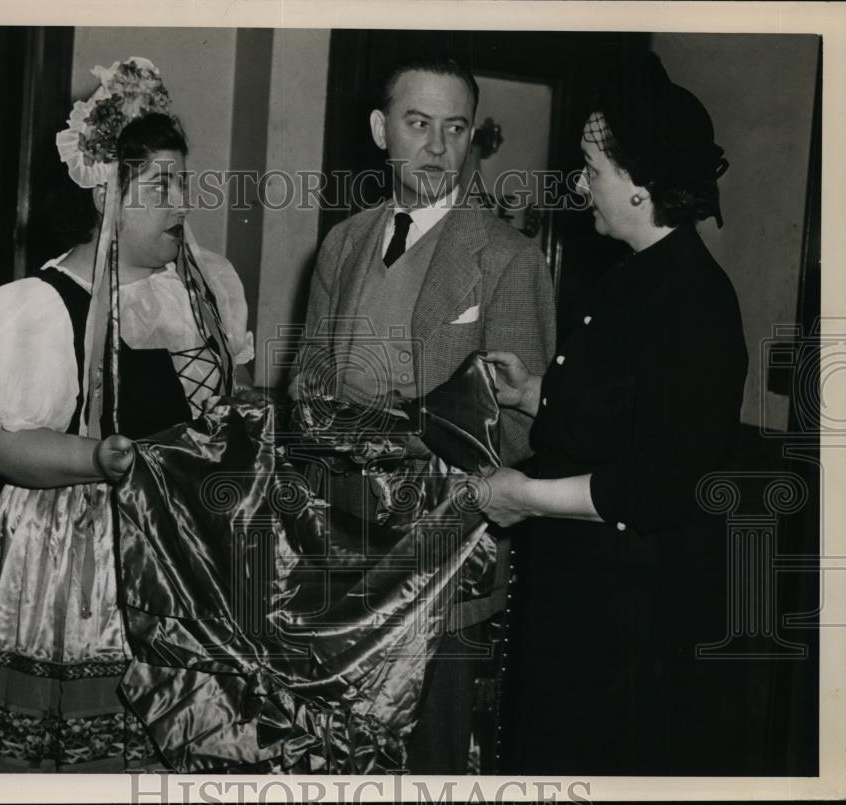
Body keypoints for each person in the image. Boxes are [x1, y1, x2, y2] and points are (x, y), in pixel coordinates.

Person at [0, 58, 255, 772]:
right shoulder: (42, 305)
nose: (181, 203)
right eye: (158, 187)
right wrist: (95, 457)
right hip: (77, 569)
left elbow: (225, 408)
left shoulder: (208, 291)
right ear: (104, 194)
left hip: (186, 559)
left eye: (184, 182)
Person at [477, 52, 749, 773]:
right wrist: (532, 391)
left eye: (592, 170)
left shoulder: (693, 301)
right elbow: (626, 412)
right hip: (588, 592)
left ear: (641, 188)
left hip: (630, 617)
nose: (579, 183)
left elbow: (659, 480)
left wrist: (523, 495)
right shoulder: (635, 278)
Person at [291, 56, 556, 773]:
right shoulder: (342, 244)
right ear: (382, 131)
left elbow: (525, 429)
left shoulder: (508, 257)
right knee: (337, 749)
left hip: (446, 562)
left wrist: (404, 441)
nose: (438, 147)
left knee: (433, 754)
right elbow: (308, 388)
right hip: (338, 552)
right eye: (418, 124)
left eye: (455, 127)